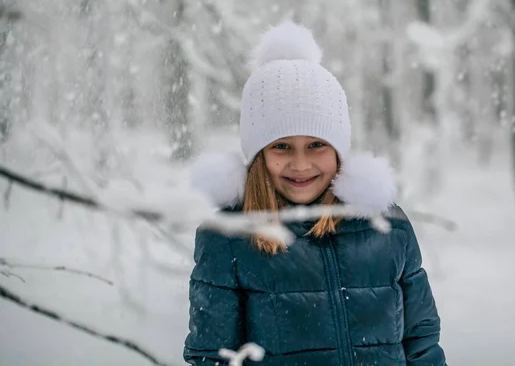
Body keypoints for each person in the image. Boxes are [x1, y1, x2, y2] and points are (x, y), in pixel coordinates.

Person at [184, 21, 446, 366]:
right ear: (258, 154)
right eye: (281, 146)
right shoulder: (231, 237)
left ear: (339, 149)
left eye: (316, 144)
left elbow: (421, 342)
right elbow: (212, 357)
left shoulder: (387, 225)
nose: (301, 164)